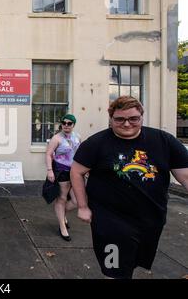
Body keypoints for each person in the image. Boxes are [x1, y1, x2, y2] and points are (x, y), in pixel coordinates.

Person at [71, 96, 188, 279]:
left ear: (141, 116)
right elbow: (76, 172)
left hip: (150, 219)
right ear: (111, 119)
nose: (127, 124)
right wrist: (83, 206)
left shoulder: (163, 140)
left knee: (132, 263)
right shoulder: (96, 143)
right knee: (114, 270)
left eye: (133, 118)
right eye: (120, 119)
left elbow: (185, 175)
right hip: (110, 220)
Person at [45, 114, 81, 241]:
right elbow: (49, 154)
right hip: (61, 172)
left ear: (73, 125)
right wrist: (50, 170)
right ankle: (62, 226)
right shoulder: (57, 138)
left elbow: (79, 154)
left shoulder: (77, 137)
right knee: (62, 198)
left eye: (69, 123)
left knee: (77, 201)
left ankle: (62, 214)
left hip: (75, 172)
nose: (66, 125)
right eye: (63, 123)